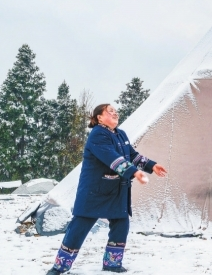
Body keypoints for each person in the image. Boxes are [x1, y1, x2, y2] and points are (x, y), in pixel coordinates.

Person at [46, 104, 168, 274]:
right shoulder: (97, 134)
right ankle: (60, 266)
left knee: (121, 224)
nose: (115, 113)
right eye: (110, 111)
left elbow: (132, 155)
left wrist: (152, 165)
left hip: (116, 191)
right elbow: (110, 156)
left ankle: (112, 263)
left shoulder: (120, 134)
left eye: (115, 111)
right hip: (94, 190)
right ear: (99, 118)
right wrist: (134, 173)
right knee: (79, 226)